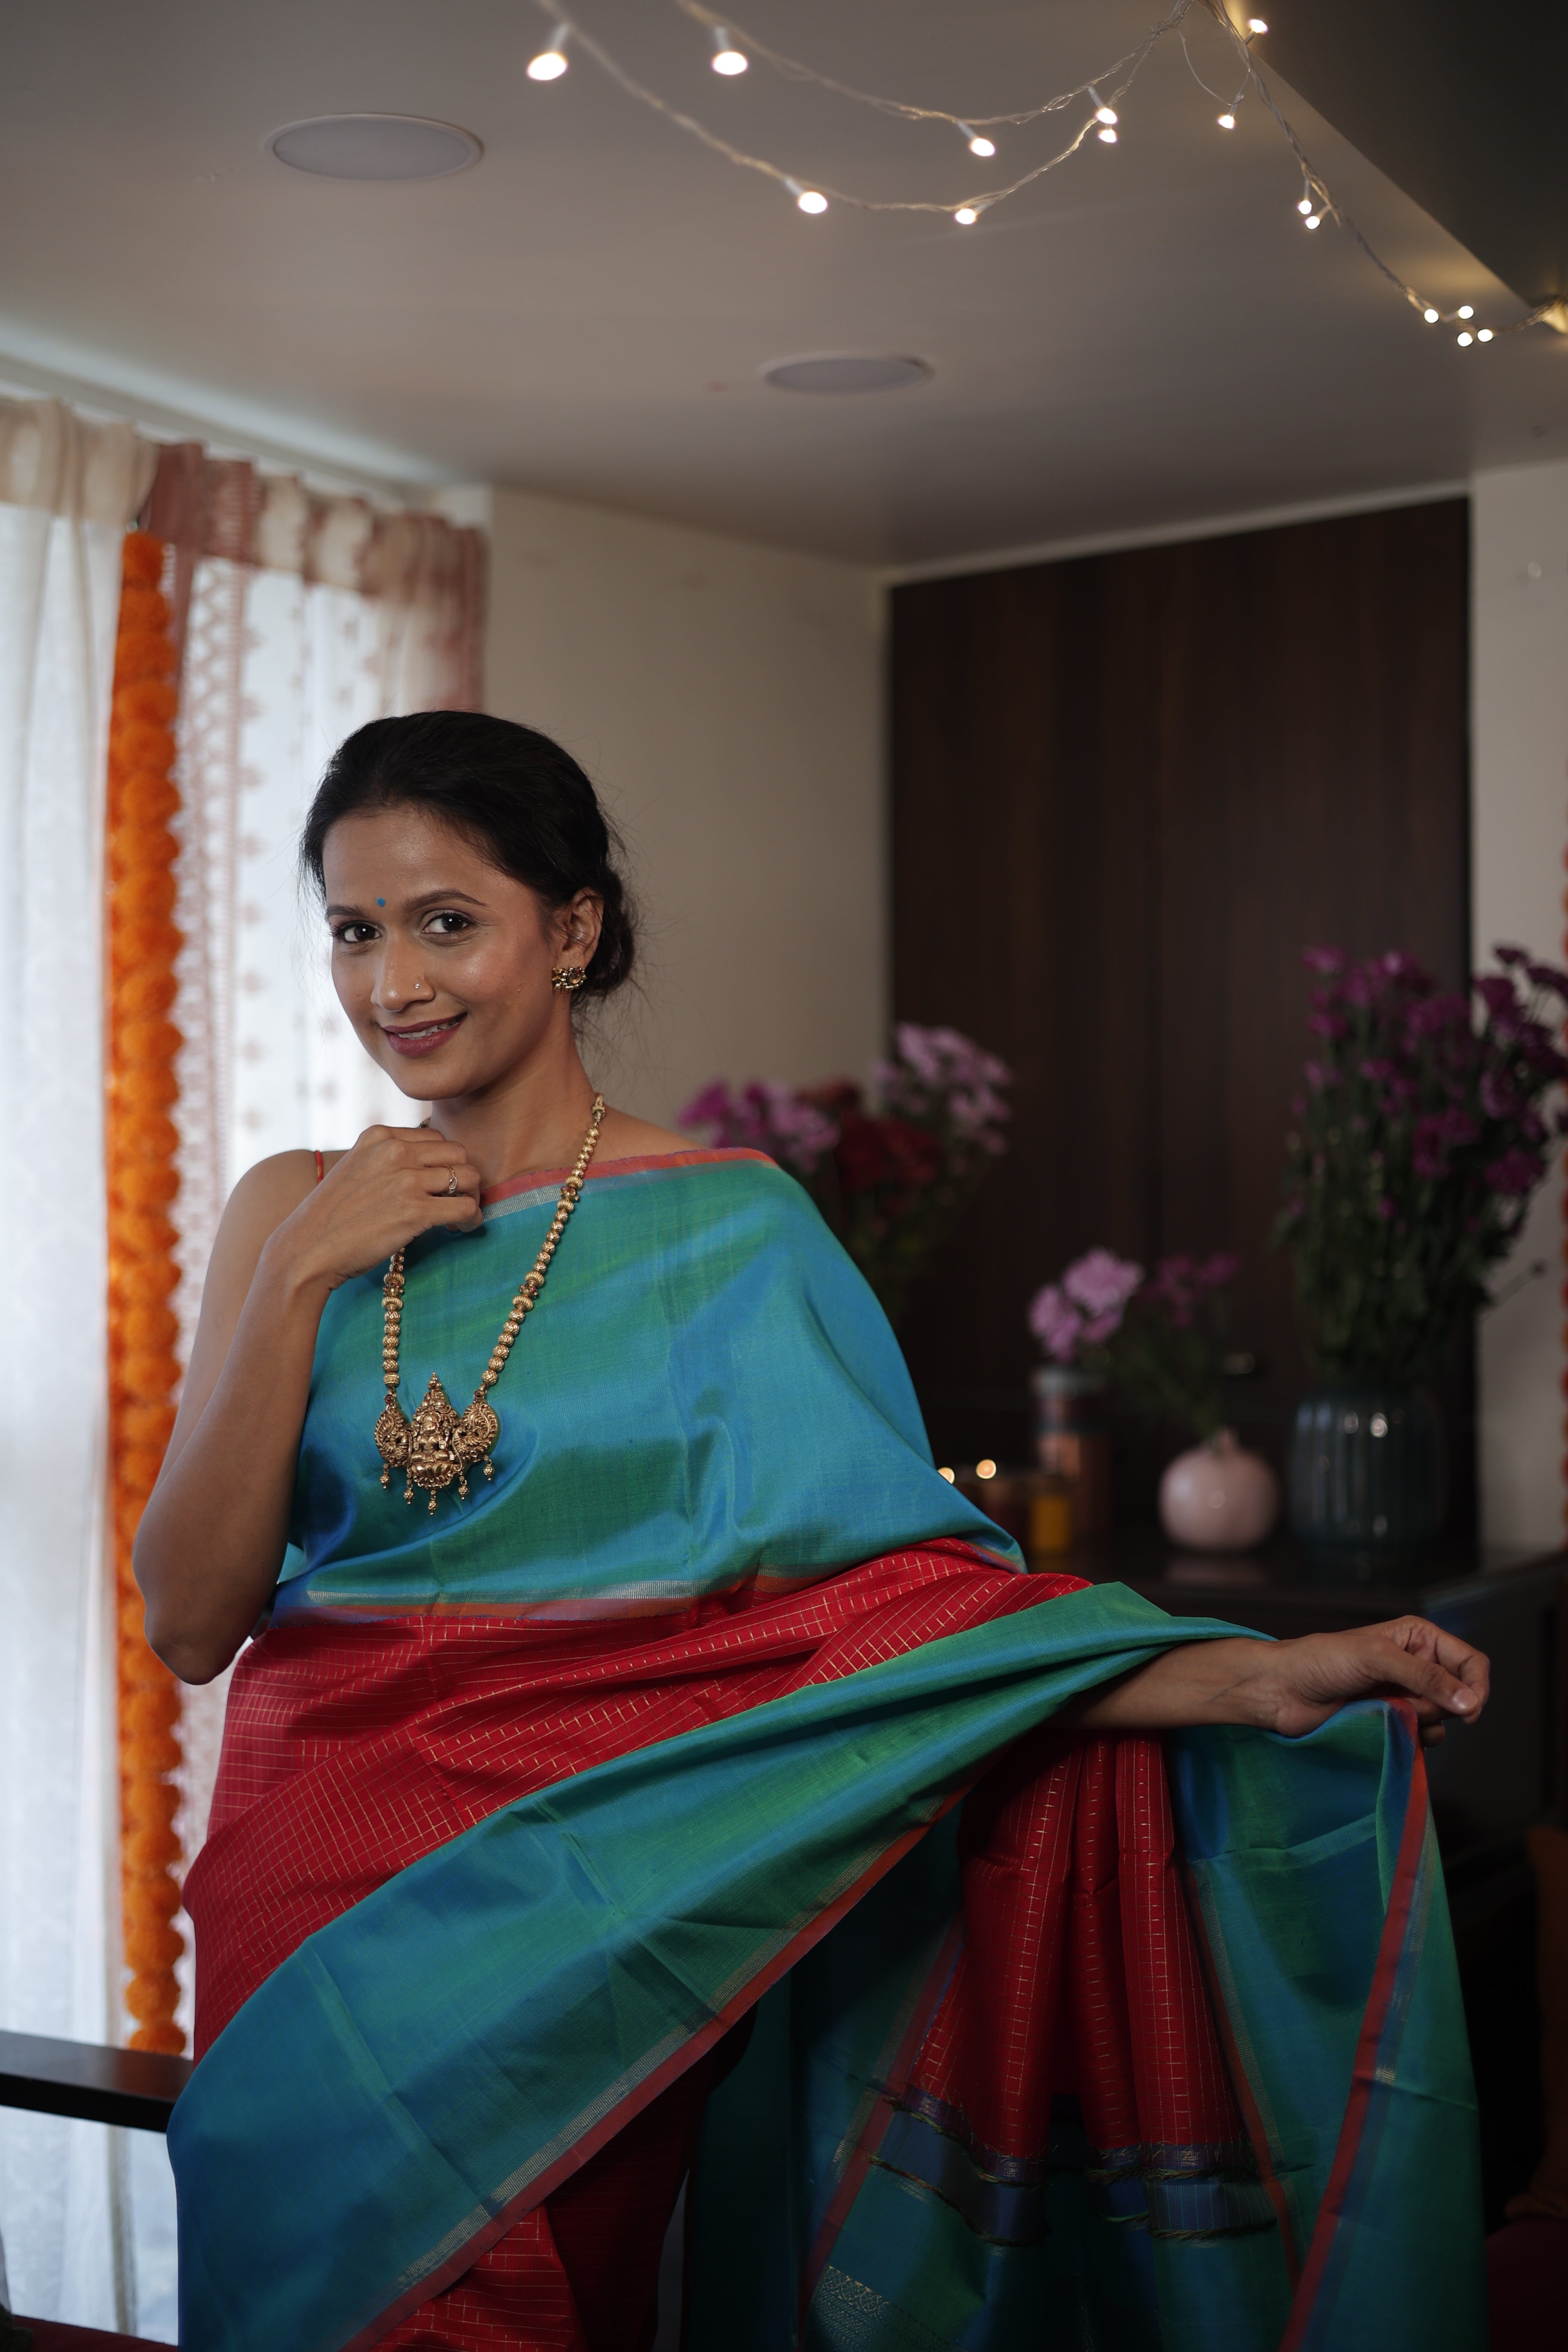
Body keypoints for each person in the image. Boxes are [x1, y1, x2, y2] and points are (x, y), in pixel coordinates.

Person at [137, 711, 1490, 2352]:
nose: (393, 982)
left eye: (446, 921)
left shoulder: (733, 1226)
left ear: (569, 930)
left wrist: (1242, 1678)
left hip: (603, 1905)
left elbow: (883, 1617)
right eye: (356, 930)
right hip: (313, 1898)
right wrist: (296, 1277)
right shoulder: (291, 1211)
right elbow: (193, 1619)